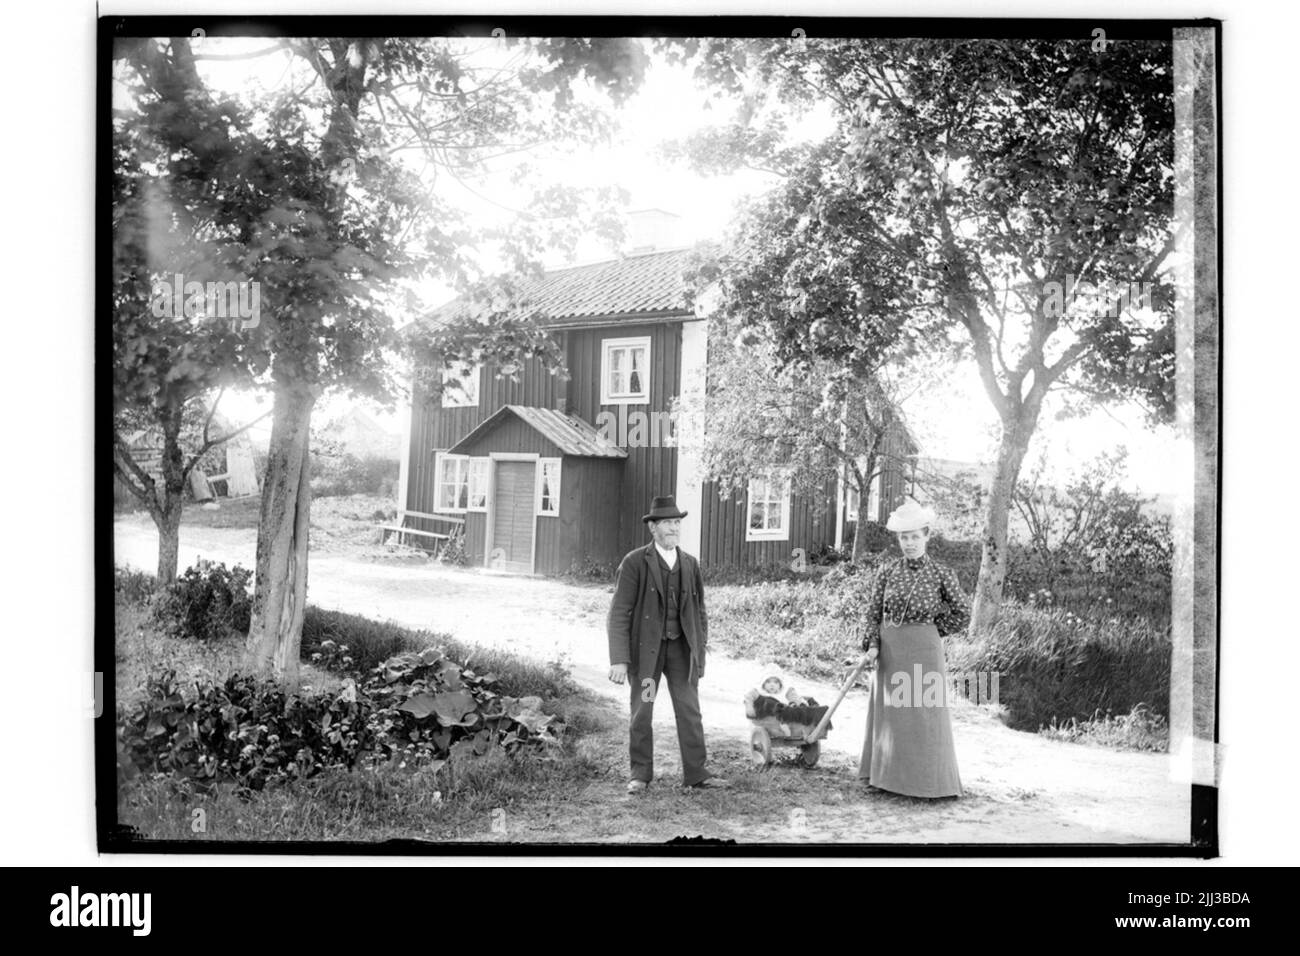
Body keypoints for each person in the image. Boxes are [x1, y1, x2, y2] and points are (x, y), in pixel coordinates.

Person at [607, 495, 729, 793]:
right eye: (667, 523)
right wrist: (619, 659)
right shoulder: (635, 562)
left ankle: (697, 773)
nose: (674, 528)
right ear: (653, 528)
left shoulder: (689, 564)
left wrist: (699, 654)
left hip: (680, 652)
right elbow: (619, 612)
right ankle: (640, 775)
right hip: (648, 654)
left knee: (689, 709)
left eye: (677, 522)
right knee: (643, 709)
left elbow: (699, 613)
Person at [857, 498, 970, 798]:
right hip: (891, 653)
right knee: (893, 715)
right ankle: (888, 780)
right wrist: (873, 644)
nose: (909, 543)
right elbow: (873, 613)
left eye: (914, 536)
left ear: (927, 535)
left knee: (924, 714)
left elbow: (963, 612)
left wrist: (932, 632)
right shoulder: (887, 572)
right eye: (904, 537)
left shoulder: (942, 574)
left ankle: (927, 784)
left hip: (924, 652)